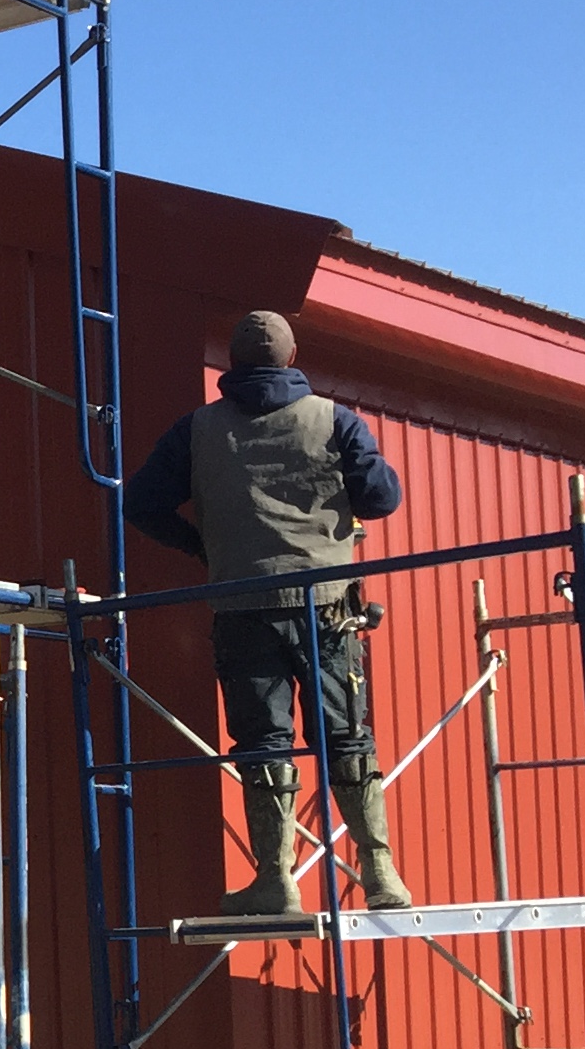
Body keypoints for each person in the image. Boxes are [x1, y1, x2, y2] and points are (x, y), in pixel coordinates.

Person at [126, 308, 415, 914]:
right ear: (291, 357)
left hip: (242, 607)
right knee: (346, 735)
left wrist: (205, 547)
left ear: (233, 363)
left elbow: (143, 504)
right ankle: (380, 874)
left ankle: (276, 881)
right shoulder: (334, 420)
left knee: (263, 742)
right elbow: (382, 497)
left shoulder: (196, 429)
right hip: (327, 608)